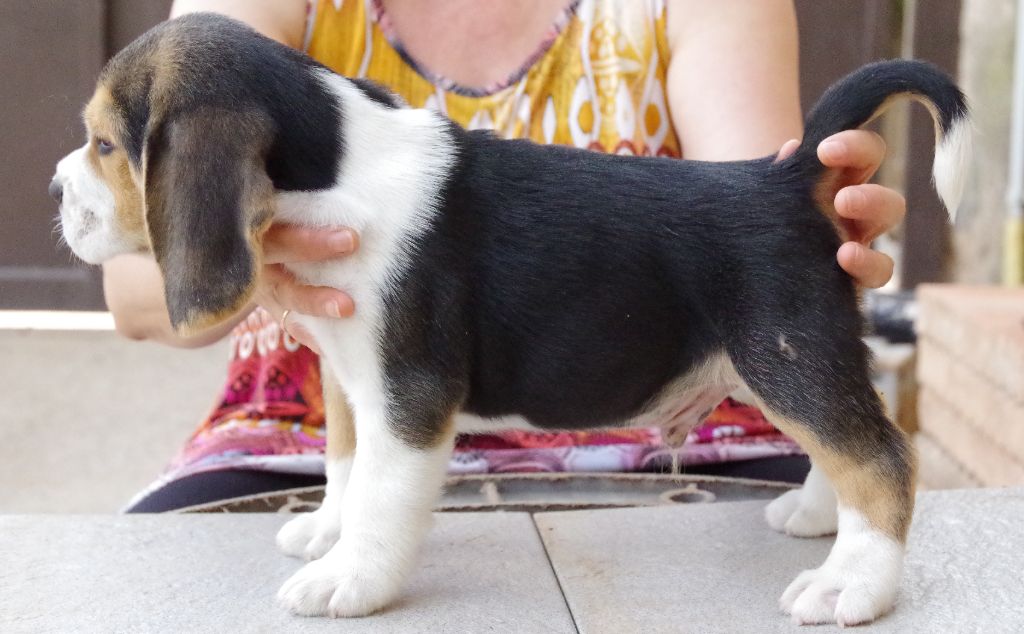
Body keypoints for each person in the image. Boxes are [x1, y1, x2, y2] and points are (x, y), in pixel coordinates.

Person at [110, 0, 908, 511]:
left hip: (655, 420)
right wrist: (258, 254)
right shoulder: (234, 36)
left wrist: (813, 238)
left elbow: (744, 230)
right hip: (300, 447)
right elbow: (134, 294)